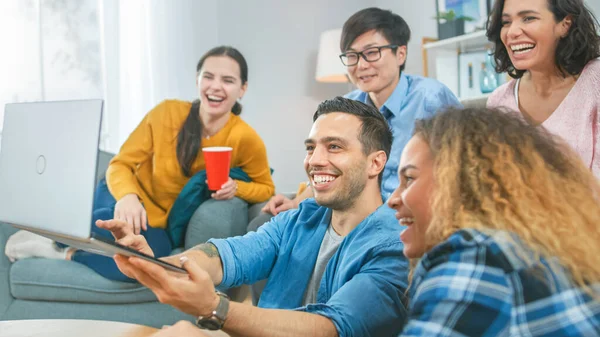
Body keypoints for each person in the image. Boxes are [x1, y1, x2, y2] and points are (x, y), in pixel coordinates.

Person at [98, 97, 409, 337]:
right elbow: (229, 255)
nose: (315, 161)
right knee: (140, 331)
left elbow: (328, 328)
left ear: (375, 163)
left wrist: (214, 308)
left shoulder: (393, 245)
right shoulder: (304, 217)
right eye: (311, 148)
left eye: (334, 147)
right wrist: (158, 266)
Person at [246, 6, 461, 304]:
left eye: (371, 53)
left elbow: (458, 170)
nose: (360, 65)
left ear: (400, 54)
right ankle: (278, 316)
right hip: (346, 208)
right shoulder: (346, 105)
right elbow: (331, 167)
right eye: (352, 55)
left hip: (397, 215)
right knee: (263, 223)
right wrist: (297, 201)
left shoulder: (431, 98)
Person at [5, 46, 275, 282]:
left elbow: (265, 187)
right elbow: (120, 164)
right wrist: (128, 197)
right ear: (197, 80)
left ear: (242, 88)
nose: (216, 86)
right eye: (208, 76)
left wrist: (236, 188)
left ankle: (62, 252)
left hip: (155, 223)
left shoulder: (246, 138)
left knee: (144, 264)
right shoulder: (167, 113)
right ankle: (55, 236)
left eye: (228, 80)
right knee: (85, 223)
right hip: (124, 200)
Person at [388, 107, 600, 336]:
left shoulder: (477, 256)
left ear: (461, 183)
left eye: (409, 178)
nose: (392, 199)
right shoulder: (551, 252)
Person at [486, 0, 600, 177]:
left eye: (528, 18)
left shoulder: (595, 81)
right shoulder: (498, 101)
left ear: (565, 24)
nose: (512, 32)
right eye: (506, 22)